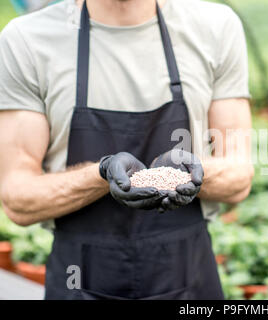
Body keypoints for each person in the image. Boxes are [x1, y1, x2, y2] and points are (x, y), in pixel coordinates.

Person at [0, 0, 253, 300]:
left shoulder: (215, 27)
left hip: (188, 279)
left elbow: (239, 175)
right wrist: (101, 175)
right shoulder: (28, 40)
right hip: (79, 280)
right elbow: (18, 198)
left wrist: (190, 172)